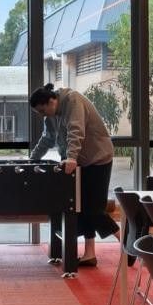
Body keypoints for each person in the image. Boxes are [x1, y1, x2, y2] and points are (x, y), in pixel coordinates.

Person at [28, 83, 118, 274]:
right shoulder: (51, 116)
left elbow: (76, 131)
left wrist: (71, 157)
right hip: (78, 162)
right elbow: (47, 139)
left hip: (97, 158)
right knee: (80, 208)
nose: (44, 116)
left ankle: (128, 242)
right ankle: (90, 254)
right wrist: (32, 159)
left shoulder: (73, 100)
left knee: (93, 209)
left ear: (52, 101)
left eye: (44, 111)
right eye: (40, 113)